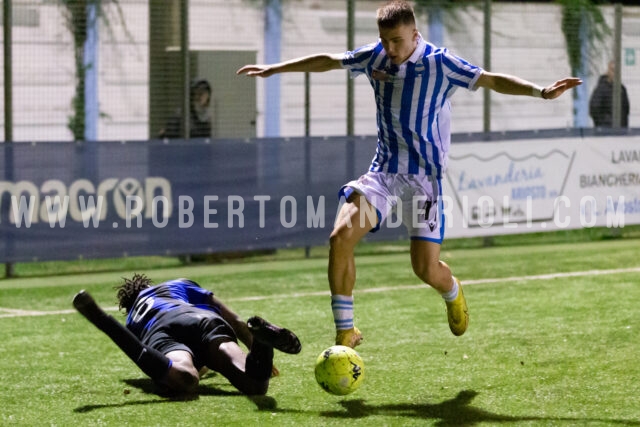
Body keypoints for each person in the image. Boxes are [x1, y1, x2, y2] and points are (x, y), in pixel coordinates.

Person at [237, 0, 581, 349]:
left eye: (397, 41)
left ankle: (453, 290)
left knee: (424, 269)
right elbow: (330, 60)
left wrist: (540, 91)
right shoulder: (376, 57)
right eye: (384, 40)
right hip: (384, 173)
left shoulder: (440, 63)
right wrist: (274, 69)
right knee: (340, 237)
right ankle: (345, 331)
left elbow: (489, 79)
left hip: (423, 181)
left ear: (415, 35)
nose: (390, 49)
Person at [73, 274, 301, 396]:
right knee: (255, 384)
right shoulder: (178, 285)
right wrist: (253, 348)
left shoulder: (133, 318)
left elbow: (161, 361)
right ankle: (262, 344)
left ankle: (105, 323)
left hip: (159, 332)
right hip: (198, 319)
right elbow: (236, 320)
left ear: (129, 302)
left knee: (186, 378)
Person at [589, 60, 630, 128]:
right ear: (608, 71)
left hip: (621, 130)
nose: (615, 74)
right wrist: (604, 124)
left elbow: (626, 109)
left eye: (617, 71)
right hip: (605, 130)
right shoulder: (601, 88)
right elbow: (594, 109)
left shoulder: (622, 89)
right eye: (613, 70)